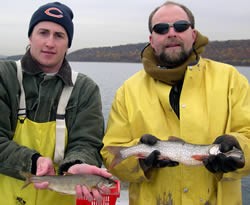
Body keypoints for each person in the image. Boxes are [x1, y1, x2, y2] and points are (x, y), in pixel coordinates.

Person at [101, 1, 250, 205]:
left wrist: (238, 150)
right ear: (152, 40)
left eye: (180, 26)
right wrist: (141, 163)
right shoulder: (127, 91)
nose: (171, 33)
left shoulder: (232, 79)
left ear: (193, 35)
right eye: (161, 28)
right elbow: (111, 156)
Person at [0, 2, 112, 205]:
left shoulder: (85, 89)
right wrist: (32, 161)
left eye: (59, 35)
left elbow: (88, 143)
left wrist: (78, 164)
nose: (50, 43)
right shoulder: (4, 77)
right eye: (43, 32)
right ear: (30, 36)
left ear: (68, 43)